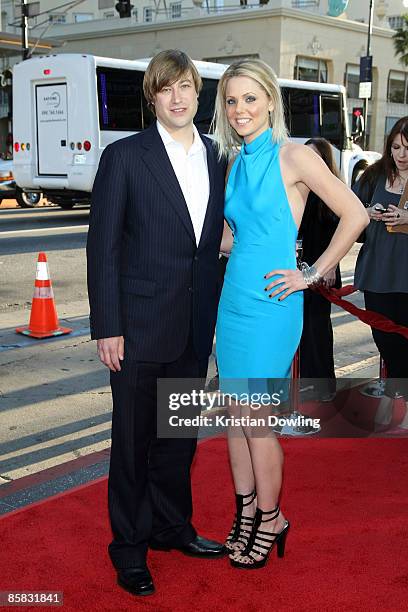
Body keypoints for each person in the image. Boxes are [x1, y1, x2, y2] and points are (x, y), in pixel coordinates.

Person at [213, 58, 368, 569]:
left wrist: (313, 272)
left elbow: (356, 214)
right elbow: (236, 236)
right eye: (232, 100)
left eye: (249, 98)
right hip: (233, 303)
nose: (240, 110)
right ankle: (244, 514)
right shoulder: (235, 163)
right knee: (235, 419)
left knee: (257, 423)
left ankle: (271, 515)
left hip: (274, 305)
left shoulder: (295, 157)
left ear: (270, 101)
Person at [87, 50, 226, 597]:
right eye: (166, 88)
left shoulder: (214, 156)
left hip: (193, 327)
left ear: (197, 93)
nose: (177, 97)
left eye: (186, 87)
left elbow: (208, 240)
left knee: (178, 442)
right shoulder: (124, 156)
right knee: (133, 445)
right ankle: (130, 550)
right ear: (153, 96)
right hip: (139, 328)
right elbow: (103, 247)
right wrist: (108, 326)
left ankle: (172, 528)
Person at [353, 116, 408, 433]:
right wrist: (366, 213)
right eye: (396, 146)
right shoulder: (373, 175)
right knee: (386, 340)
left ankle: (394, 397)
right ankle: (393, 394)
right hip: (377, 273)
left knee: (404, 341)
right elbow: (345, 212)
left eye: (407, 148)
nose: (401, 154)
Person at [299, 138, 342, 402]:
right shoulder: (295, 188)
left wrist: (331, 265)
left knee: (317, 330)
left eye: (315, 158)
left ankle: (324, 390)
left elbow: (345, 228)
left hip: (320, 272)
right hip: (295, 271)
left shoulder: (331, 191)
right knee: (296, 331)